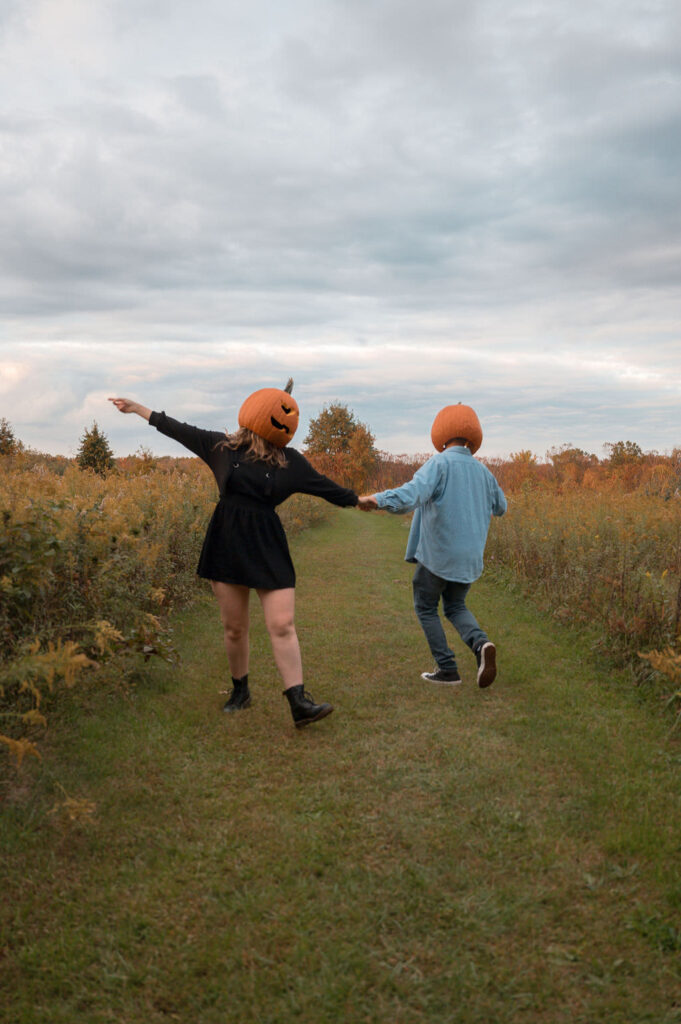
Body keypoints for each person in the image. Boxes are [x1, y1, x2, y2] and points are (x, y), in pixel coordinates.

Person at [109, 381, 358, 727]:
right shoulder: (220, 448)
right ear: (254, 413)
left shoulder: (292, 462)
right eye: (281, 413)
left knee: (283, 624)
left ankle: (299, 702)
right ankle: (240, 691)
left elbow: (328, 489)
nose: (287, 421)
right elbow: (178, 429)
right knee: (234, 628)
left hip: (267, 545)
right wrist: (138, 409)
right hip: (227, 541)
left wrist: (362, 500)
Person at [358, 402, 506, 688]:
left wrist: (377, 500)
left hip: (439, 555)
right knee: (455, 605)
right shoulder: (484, 472)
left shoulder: (439, 464)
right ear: (473, 437)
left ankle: (448, 669)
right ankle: (481, 645)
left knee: (425, 606)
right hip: (469, 558)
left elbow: (411, 495)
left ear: (440, 434)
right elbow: (501, 507)